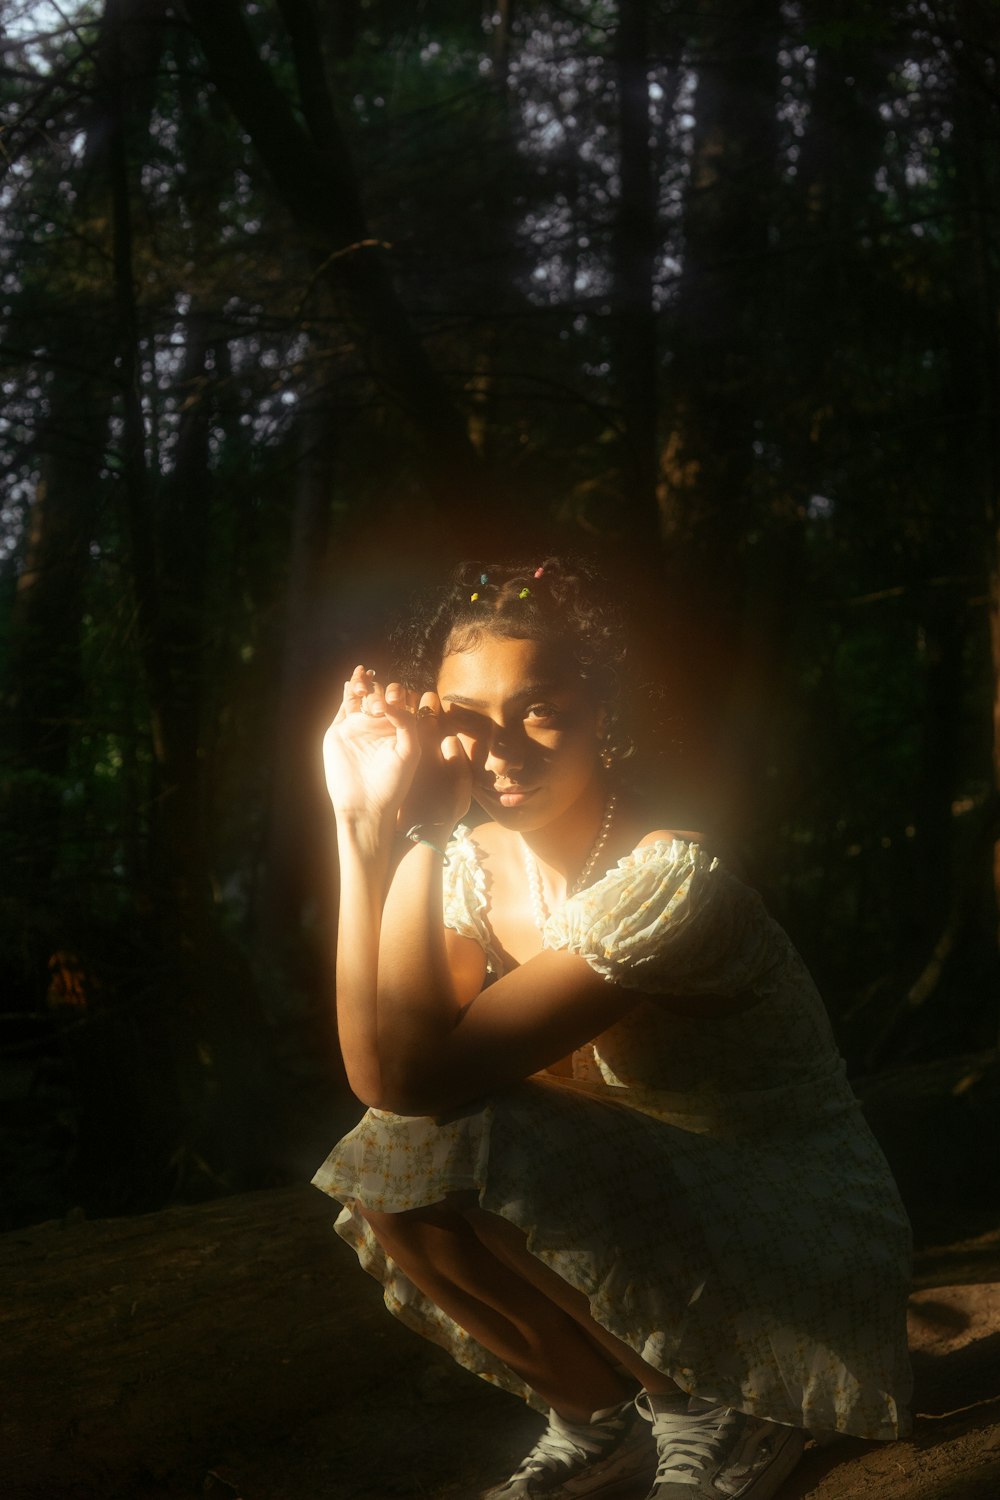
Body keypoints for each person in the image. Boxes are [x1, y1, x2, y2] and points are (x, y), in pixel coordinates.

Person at [312, 557, 912, 1500]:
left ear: (604, 715)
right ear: (438, 727)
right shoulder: (474, 865)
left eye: (541, 709)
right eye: (468, 720)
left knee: (466, 1130)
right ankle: (596, 1414)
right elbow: (379, 1071)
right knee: (391, 1166)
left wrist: (418, 835)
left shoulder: (671, 878)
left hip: (783, 1214)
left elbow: (418, 1078)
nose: (503, 749)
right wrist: (362, 823)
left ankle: (725, 1409)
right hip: (649, 1194)